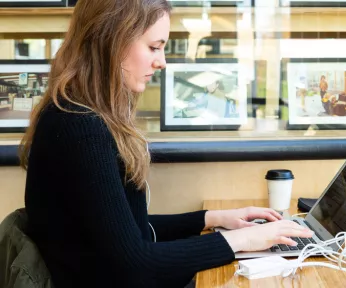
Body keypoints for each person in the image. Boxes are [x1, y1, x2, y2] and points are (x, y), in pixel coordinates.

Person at [19, 1, 313, 287]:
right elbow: (136, 265)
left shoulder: (73, 115)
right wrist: (243, 240)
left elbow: (128, 234)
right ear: (113, 38)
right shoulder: (80, 127)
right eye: (153, 47)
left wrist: (214, 218)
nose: (161, 61)